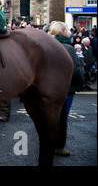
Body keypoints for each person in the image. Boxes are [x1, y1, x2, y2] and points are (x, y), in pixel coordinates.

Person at [48, 21, 84, 156]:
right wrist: (81, 82)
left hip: (49, 88)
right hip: (66, 89)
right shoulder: (68, 48)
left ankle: (47, 145)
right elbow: (75, 70)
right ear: (63, 33)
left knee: (49, 116)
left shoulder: (48, 46)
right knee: (62, 119)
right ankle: (58, 147)